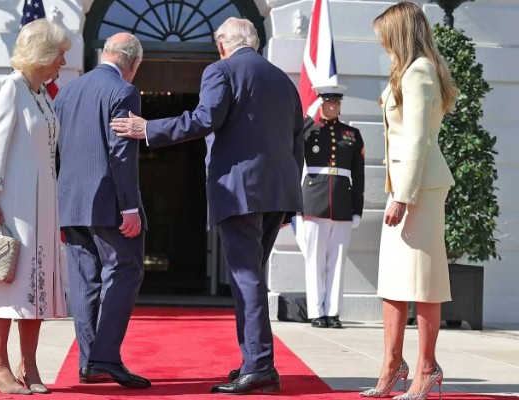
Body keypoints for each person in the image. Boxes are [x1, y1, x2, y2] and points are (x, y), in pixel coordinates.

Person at [110, 17, 304, 395]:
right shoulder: (282, 78)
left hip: (240, 190)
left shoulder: (221, 70)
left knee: (246, 279)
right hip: (277, 193)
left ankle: (260, 366)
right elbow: (296, 140)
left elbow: (204, 119)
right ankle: (254, 361)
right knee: (251, 278)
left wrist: (148, 129)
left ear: (221, 45)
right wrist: (289, 204)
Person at [0, 19, 71, 395]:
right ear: (42, 53)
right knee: (4, 284)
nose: (62, 61)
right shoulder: (9, 87)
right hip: (11, 204)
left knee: (34, 289)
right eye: (59, 54)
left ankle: (29, 365)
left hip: (42, 208)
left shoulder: (41, 95)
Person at [360, 2, 457, 400]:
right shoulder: (408, 70)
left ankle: (426, 368)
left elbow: (417, 139)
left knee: (423, 281)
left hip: (418, 190)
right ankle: (392, 365)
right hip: (405, 187)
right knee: (394, 280)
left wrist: (403, 197)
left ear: (398, 32)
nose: (381, 42)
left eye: (384, 34)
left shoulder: (419, 71)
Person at [54, 33, 151, 389]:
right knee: (125, 270)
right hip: (110, 205)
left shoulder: (67, 92)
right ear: (134, 63)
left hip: (71, 203)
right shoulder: (124, 91)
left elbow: (54, 150)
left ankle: (88, 362)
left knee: (84, 281)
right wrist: (130, 207)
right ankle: (105, 358)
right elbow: (120, 153)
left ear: (104, 53)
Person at [294, 85, 365, 329]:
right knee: (314, 260)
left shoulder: (352, 134)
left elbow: (359, 174)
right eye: (328, 101)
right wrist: (309, 116)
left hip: (343, 203)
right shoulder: (309, 131)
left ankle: (333, 312)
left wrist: (357, 209)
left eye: (336, 102)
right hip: (314, 200)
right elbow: (292, 138)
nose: (333, 105)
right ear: (320, 103)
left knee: (337, 261)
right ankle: (316, 312)